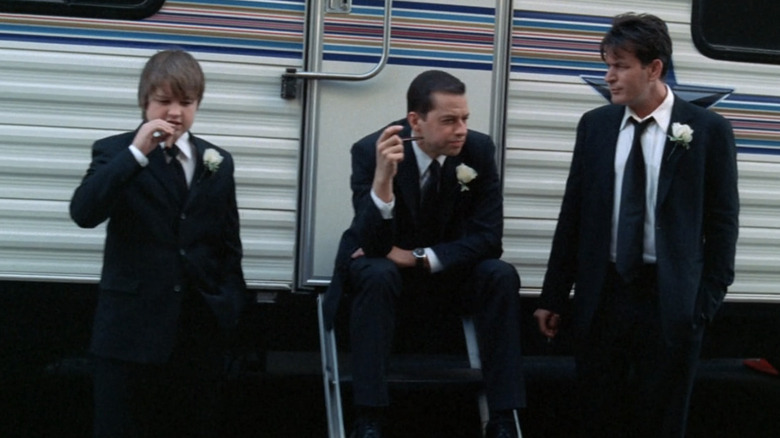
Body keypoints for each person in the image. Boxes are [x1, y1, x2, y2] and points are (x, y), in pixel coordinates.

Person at [533, 13, 739, 438]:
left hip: (669, 300)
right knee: (597, 412)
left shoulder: (707, 130)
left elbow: (723, 224)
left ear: (654, 68)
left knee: (661, 417)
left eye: (620, 65)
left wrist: (702, 306)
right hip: (604, 294)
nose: (609, 76)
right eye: (607, 64)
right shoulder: (596, 126)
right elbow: (573, 213)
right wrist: (553, 294)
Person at [322, 70, 525, 438]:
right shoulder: (371, 150)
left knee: (500, 274)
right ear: (415, 121)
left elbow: (489, 238)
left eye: (465, 118)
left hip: (445, 275)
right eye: (449, 121)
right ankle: (369, 418)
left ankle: (503, 417)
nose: (461, 129)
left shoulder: (478, 150)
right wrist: (383, 179)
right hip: (385, 277)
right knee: (376, 272)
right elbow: (372, 241)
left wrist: (418, 256)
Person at [70, 49, 248, 437]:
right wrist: (137, 153)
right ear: (144, 102)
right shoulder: (115, 152)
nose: (174, 113)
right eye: (164, 101)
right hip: (129, 331)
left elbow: (227, 242)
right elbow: (84, 212)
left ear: (197, 105)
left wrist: (229, 307)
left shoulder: (216, 161)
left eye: (186, 103)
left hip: (196, 331)